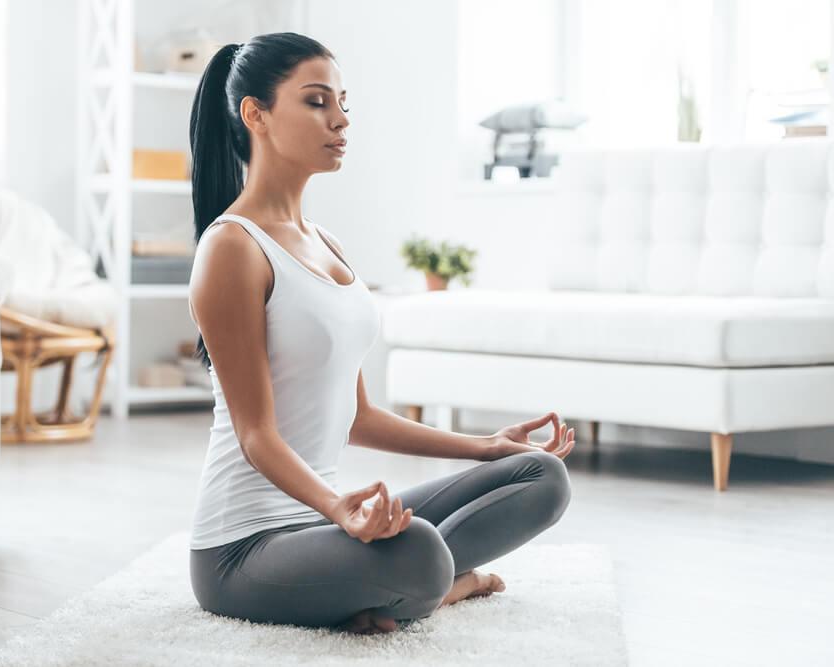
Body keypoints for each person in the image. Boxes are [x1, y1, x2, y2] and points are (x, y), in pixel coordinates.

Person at [186, 32, 575, 635]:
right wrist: (340, 508)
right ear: (255, 114)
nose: (340, 120)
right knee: (418, 550)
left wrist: (488, 445)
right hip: (243, 549)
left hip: (322, 527)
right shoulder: (231, 248)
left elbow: (359, 416)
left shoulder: (325, 242)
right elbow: (255, 434)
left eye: (343, 103)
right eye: (317, 102)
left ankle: (393, 591)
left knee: (540, 477)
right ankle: (432, 584)